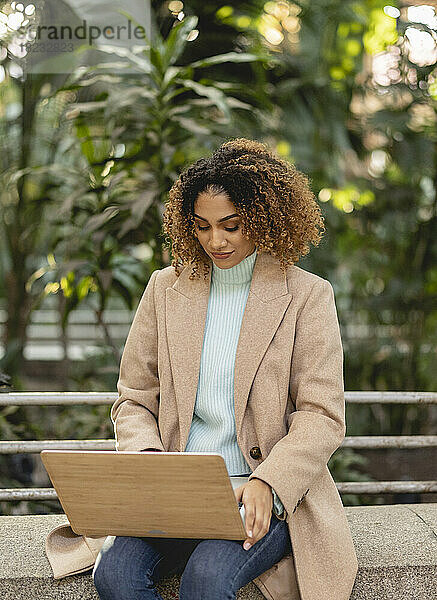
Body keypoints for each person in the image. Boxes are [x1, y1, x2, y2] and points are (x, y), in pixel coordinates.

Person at [92, 138, 358, 600]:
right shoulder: (164, 289)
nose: (215, 241)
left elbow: (321, 415)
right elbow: (134, 398)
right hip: (173, 491)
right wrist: (149, 463)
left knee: (206, 579)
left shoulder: (308, 296)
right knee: (113, 575)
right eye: (202, 226)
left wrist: (267, 483)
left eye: (231, 226)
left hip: (262, 492)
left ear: (261, 217)